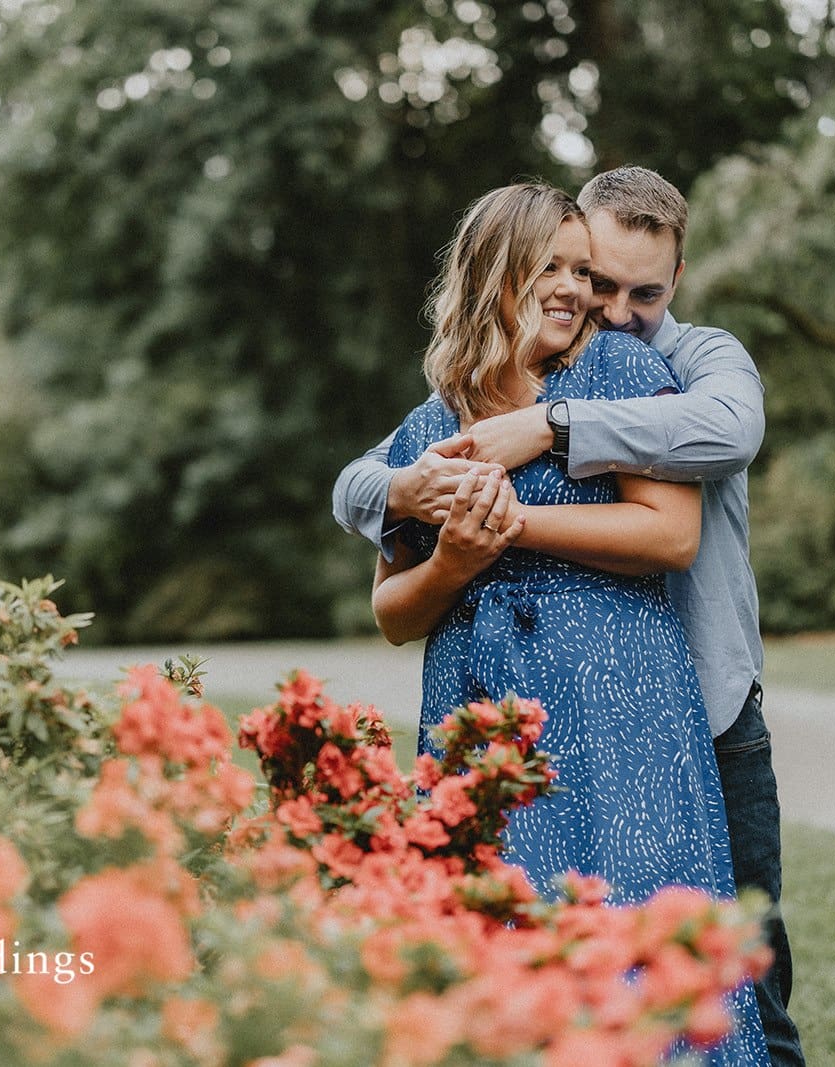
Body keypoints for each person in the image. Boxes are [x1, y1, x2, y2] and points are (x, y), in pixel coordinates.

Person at [334, 167, 803, 1067]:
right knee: (502, 952)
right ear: (492, 271)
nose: (587, 296)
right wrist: (452, 558)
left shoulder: (634, 366)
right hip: (481, 725)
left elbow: (671, 531)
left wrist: (509, 519)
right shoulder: (431, 420)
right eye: (561, 268)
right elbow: (392, 606)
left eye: (592, 277)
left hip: (624, 716)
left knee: (655, 959)